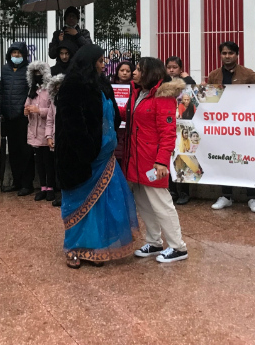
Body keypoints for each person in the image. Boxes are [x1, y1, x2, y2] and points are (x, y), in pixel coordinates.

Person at [55, 45, 138, 268]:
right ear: (88, 62)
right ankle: (73, 248)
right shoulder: (72, 85)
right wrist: (87, 150)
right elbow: (72, 123)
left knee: (100, 203)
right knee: (77, 202)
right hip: (80, 156)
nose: (103, 65)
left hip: (104, 153)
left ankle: (93, 247)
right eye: (99, 61)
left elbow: (110, 110)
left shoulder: (101, 83)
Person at [125, 57, 188, 263]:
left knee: (161, 203)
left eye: (138, 69)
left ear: (149, 72)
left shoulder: (163, 97)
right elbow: (130, 117)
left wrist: (161, 162)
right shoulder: (139, 93)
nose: (133, 72)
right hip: (137, 159)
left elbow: (168, 133)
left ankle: (178, 247)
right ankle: (154, 242)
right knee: (144, 203)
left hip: (152, 161)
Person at [206, 42, 255, 213]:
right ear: (220, 55)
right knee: (224, 160)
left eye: (231, 53)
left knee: (247, 161)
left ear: (237, 55)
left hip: (244, 127)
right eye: (224, 53)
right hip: (223, 127)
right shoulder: (214, 75)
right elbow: (209, 101)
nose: (227, 56)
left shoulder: (248, 74)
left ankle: (252, 197)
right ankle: (226, 196)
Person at [0, 41, 35, 195]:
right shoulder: (5, 69)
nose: (16, 56)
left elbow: (33, 91)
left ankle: (27, 184)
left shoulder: (29, 70)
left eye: (19, 53)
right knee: (13, 152)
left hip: (23, 117)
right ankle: (16, 182)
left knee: (26, 151)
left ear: (24, 55)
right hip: (8, 117)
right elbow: (2, 90)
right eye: (14, 53)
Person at [25, 61, 55, 201]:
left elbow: (53, 110)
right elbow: (27, 105)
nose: (37, 76)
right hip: (34, 132)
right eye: (35, 74)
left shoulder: (50, 91)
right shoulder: (32, 90)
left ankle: (51, 187)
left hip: (46, 132)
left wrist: (39, 110)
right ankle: (43, 187)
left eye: (40, 74)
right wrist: (27, 110)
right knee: (39, 163)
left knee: (49, 162)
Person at [165, 57, 193, 205]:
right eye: (169, 67)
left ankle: (184, 191)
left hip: (184, 127)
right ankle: (172, 190)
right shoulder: (163, 84)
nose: (171, 70)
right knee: (168, 158)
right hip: (168, 126)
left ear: (180, 69)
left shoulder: (188, 82)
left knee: (183, 157)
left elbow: (195, 91)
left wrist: (187, 78)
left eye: (174, 67)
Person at [45, 73, 65, 207]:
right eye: (56, 87)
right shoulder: (53, 103)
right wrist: (49, 137)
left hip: (66, 140)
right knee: (57, 167)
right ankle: (59, 193)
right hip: (55, 138)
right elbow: (50, 121)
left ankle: (66, 194)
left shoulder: (71, 101)